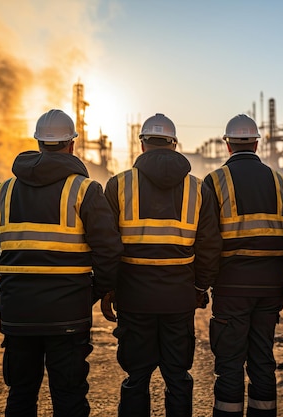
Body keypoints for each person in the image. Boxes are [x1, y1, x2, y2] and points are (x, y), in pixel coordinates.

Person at [0, 109, 123, 417]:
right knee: (69, 399)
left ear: (38, 143)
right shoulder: (85, 190)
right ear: (71, 145)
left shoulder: (4, 191)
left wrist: (14, 275)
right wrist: (93, 291)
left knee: (21, 394)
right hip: (68, 314)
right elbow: (109, 252)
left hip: (18, 314)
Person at [102, 113, 222, 417]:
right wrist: (199, 287)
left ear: (142, 145)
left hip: (133, 300)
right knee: (178, 377)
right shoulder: (198, 189)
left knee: (136, 378)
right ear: (174, 144)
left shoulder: (118, 185)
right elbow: (209, 247)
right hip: (178, 300)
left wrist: (107, 288)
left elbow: (106, 246)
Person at [203, 114, 283, 417]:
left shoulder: (214, 181)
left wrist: (201, 283)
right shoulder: (280, 182)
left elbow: (207, 241)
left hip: (231, 288)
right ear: (257, 143)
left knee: (229, 362)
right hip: (269, 288)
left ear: (227, 144)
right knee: (262, 359)